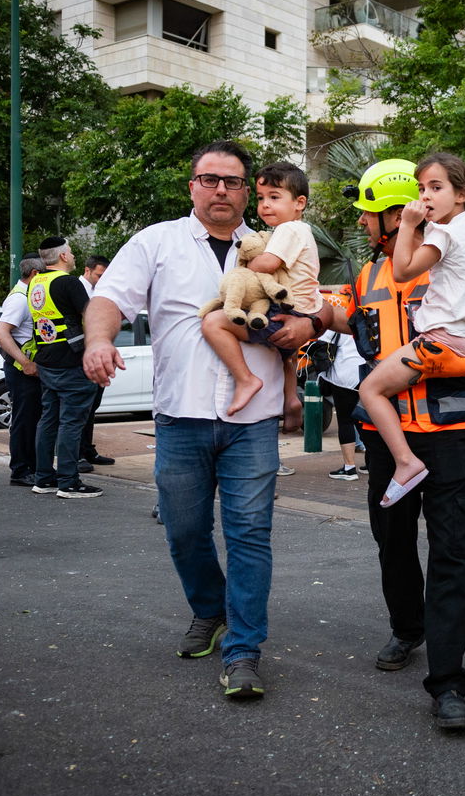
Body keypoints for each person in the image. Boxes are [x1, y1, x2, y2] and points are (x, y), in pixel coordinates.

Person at [83, 140, 327, 700]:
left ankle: (244, 651)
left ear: (248, 191)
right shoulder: (157, 241)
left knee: (249, 536)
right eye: (209, 179)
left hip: (252, 422)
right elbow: (110, 300)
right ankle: (209, 610)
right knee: (185, 530)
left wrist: (312, 326)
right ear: (191, 185)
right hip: (180, 420)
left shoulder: (277, 240)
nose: (221, 189)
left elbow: (324, 302)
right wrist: (98, 341)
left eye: (234, 181)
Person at [339, 158, 465, 731]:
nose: (364, 222)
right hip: (385, 440)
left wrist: (448, 364)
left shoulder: (453, 266)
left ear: (394, 213)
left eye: (369, 212)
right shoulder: (366, 278)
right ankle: (406, 627)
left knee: (451, 554)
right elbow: (325, 314)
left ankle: (448, 683)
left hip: (446, 438)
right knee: (391, 540)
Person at [356, 152, 465, 508]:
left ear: (460, 194)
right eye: (420, 189)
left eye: (435, 187)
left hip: (442, 342)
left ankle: (405, 462)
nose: (426, 196)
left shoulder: (442, 235)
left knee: (370, 389)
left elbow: (402, 271)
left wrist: (409, 226)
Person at [199, 161, 324, 429]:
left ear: (299, 203)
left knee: (214, 323)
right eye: (261, 198)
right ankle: (290, 400)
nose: (265, 205)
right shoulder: (302, 231)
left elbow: (267, 263)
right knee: (285, 357)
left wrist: (244, 267)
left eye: (275, 197)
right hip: (301, 309)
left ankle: (245, 379)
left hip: (287, 312)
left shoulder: (289, 229)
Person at [28, 236, 101, 499]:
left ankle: (44, 478)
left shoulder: (36, 282)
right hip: (71, 362)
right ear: (62, 257)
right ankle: (69, 482)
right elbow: (92, 315)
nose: (72, 256)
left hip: (47, 359)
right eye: (69, 252)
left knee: (48, 420)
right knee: (72, 422)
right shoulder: (68, 282)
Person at [0, 255, 43, 487]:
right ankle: (21, 471)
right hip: (22, 371)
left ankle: (30, 467)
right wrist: (25, 362)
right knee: (24, 420)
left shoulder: (25, 296)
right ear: (34, 275)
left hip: (26, 370)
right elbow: (0, 334)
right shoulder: (20, 300)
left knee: (31, 419)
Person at [313, 288, 366, 481]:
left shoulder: (343, 317)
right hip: (367, 375)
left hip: (344, 377)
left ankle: (349, 467)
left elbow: (321, 341)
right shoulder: (370, 316)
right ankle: (371, 462)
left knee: (345, 420)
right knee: (365, 419)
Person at [77, 254, 114, 471]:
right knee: (81, 409)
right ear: (88, 270)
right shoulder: (78, 290)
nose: (102, 279)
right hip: (82, 356)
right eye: (99, 275)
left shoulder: (98, 292)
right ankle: (78, 453)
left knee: (91, 408)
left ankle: (87, 449)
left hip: (97, 355)